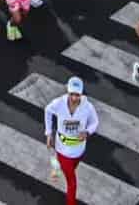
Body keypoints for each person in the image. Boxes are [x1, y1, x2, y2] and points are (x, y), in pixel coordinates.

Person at [42, 75, 101, 205]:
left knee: (71, 169)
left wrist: (87, 132)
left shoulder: (87, 106)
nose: (74, 98)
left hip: (79, 149)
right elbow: (47, 110)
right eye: (72, 94)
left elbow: (95, 122)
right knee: (72, 182)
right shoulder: (59, 103)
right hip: (63, 149)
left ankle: (57, 167)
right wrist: (48, 133)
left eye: (77, 95)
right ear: (67, 92)